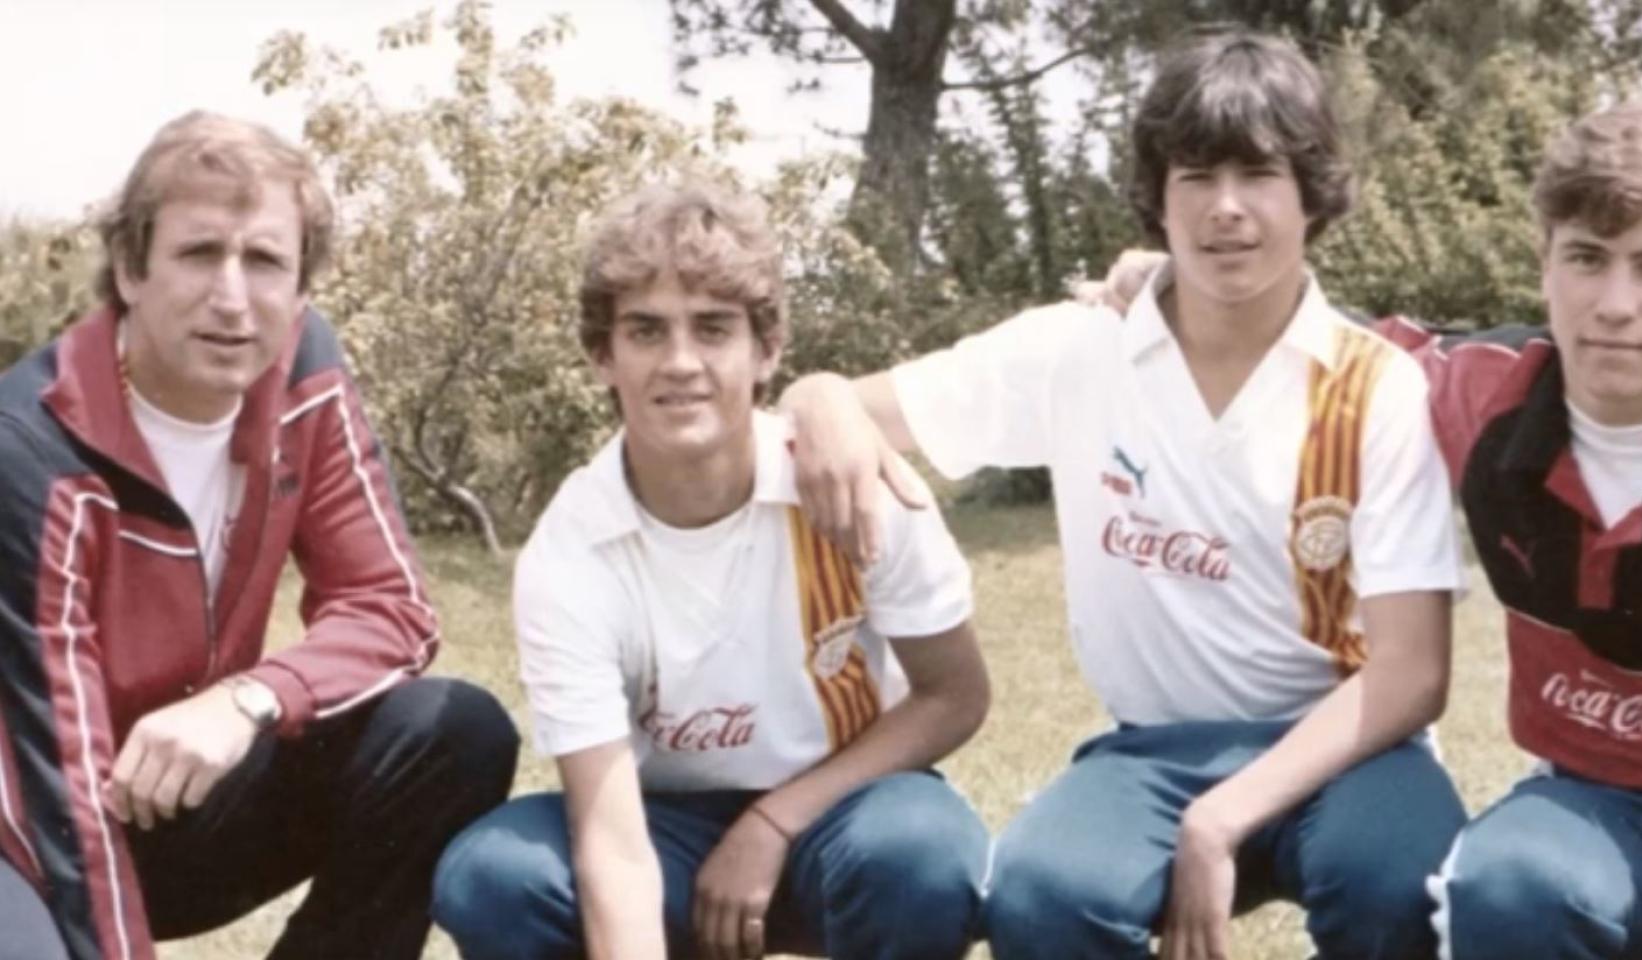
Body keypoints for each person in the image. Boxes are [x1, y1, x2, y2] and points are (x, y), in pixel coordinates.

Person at [782, 30, 1466, 960]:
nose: (1226, 209)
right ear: (1157, 197)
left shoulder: (1374, 386)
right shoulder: (1076, 350)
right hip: (1152, 752)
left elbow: (1411, 675)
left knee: (1398, 878)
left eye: (1259, 174)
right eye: (1194, 177)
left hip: (1345, 751)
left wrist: (1221, 820)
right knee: (1041, 895)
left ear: (1311, 192)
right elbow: (860, 412)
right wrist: (816, 392)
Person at [1091, 93, 1642, 960]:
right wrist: (1174, 282)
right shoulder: (1476, 390)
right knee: (1508, 883)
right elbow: (1327, 341)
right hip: (1592, 805)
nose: (1612, 303)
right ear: (1544, 265)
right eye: (1587, 258)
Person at [0, 111, 519, 960]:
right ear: (131, 268)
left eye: (266, 260)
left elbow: (389, 605)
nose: (233, 298)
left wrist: (247, 698)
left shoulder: (302, 371)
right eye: (200, 253)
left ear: (302, 290)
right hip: (25, 829)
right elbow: (55, 786)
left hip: (174, 796)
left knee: (452, 732)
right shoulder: (30, 447)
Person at [429, 181, 991, 960]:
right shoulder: (571, 552)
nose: (682, 363)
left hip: (847, 813)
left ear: (767, 350)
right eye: (647, 331)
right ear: (602, 356)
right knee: (497, 874)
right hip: (667, 832)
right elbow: (614, 841)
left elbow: (955, 695)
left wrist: (775, 820)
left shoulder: (847, 482)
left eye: (714, 329)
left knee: (921, 852)